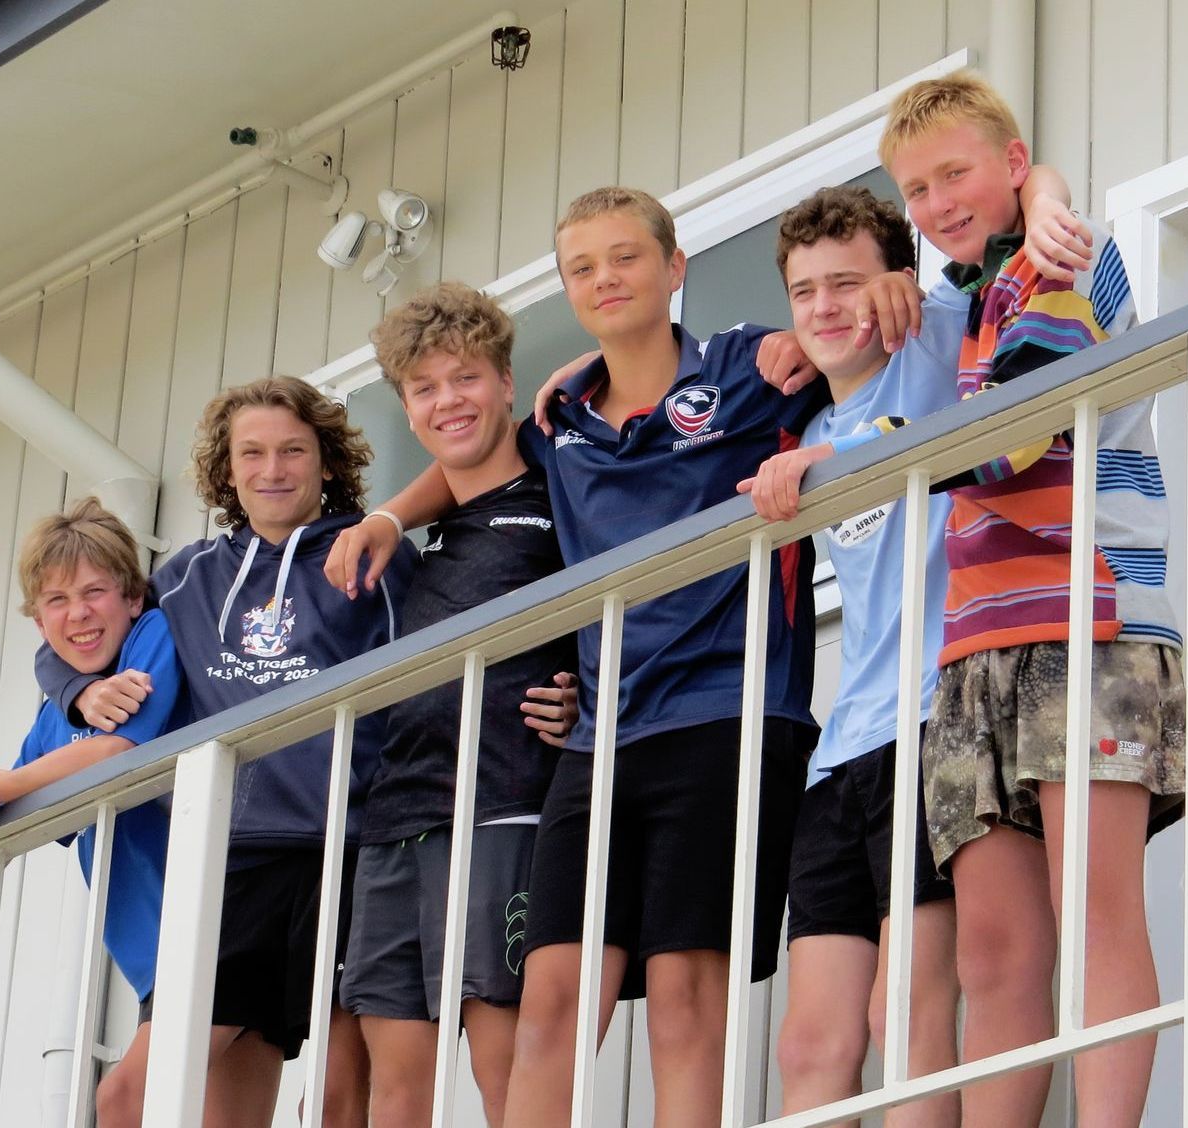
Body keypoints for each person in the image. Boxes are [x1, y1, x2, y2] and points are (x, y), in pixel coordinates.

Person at [325, 186, 826, 1128]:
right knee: (551, 999)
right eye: (581, 268)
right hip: (598, 743)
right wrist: (392, 512)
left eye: (627, 257)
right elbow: (473, 459)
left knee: (683, 998)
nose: (606, 279)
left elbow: (863, 362)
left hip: (727, 713)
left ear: (676, 269)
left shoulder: (754, 366)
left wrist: (838, 320)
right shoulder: (562, 419)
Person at [860, 70, 1185, 1128]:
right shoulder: (971, 294)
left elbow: (1015, 437)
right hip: (978, 643)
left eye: (954, 173)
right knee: (998, 949)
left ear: (1008, 168)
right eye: (914, 190)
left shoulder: (1058, 262)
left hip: (1084, 621)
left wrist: (881, 458)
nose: (934, 202)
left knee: (1095, 913)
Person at [36, 376, 420, 1127]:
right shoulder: (184, 579)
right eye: (252, 453)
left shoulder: (375, 560)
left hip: (349, 854)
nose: (271, 469)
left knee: (337, 1095)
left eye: (291, 451)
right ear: (227, 466)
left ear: (324, 460)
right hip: (226, 867)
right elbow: (86, 628)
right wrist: (69, 690)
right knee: (131, 1097)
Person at [731, 186, 968, 1126]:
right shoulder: (810, 428)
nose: (825, 308)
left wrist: (924, 288)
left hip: (935, 720)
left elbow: (1006, 223)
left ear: (897, 284)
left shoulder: (934, 348)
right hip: (844, 752)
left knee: (907, 1008)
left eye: (847, 284)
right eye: (804, 292)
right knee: (811, 1041)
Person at [340, 282, 578, 1128]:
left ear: (508, 383)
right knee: (396, 1081)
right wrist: (388, 518)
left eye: (466, 378)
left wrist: (584, 693)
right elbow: (450, 476)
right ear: (405, 407)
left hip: (503, 803)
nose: (449, 402)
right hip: (395, 817)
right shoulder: (421, 538)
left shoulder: (561, 486)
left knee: (505, 1065)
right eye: (425, 388)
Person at [0, 496, 183, 1128]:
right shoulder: (50, 722)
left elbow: (117, 749)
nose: (79, 614)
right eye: (57, 601)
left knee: (120, 1101)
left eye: (95, 591)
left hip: (214, 918)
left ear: (131, 598)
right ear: (39, 623)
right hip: (154, 957)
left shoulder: (151, 639)